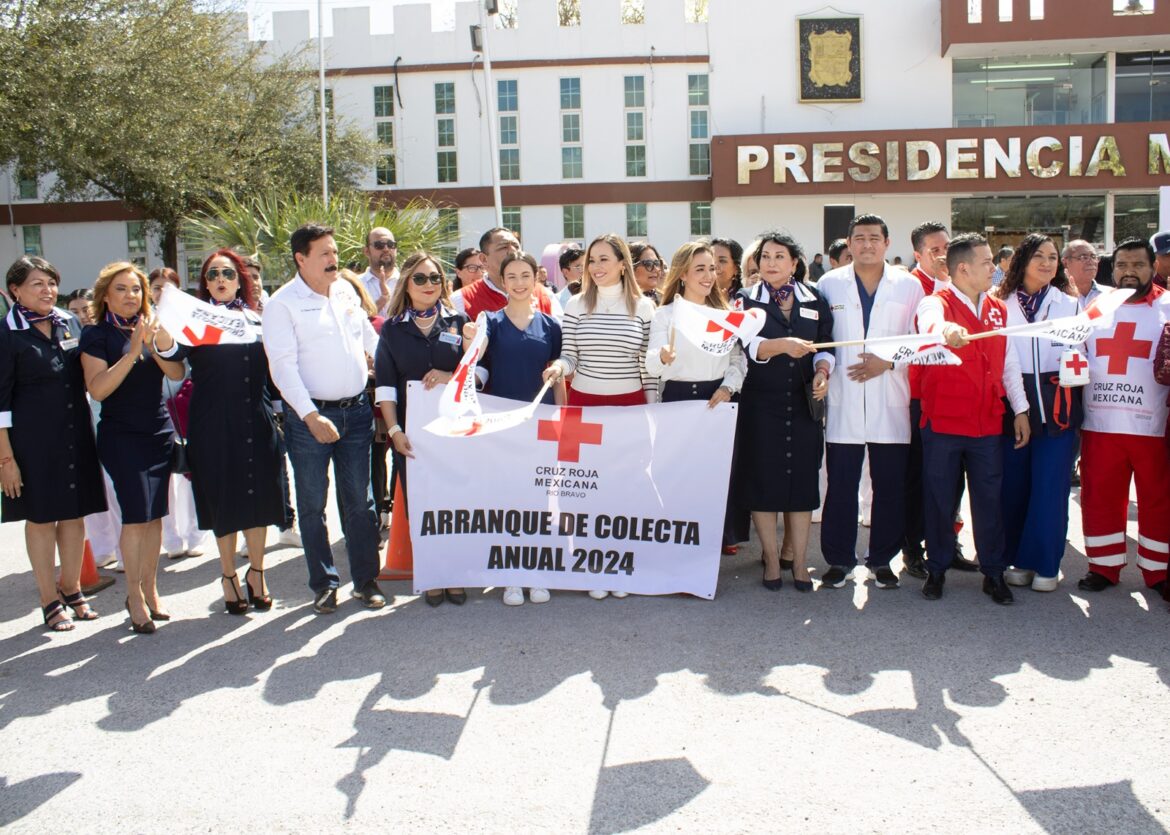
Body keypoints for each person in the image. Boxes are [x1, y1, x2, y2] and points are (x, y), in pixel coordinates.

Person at [154, 249, 288, 614]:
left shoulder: (257, 318)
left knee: (259, 500)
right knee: (224, 500)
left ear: (239, 279)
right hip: (212, 422)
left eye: (227, 273)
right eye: (212, 275)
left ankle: (257, 573)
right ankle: (228, 575)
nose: (220, 280)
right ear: (206, 283)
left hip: (256, 418)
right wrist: (162, 337)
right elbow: (174, 365)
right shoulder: (194, 319)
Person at [262, 223, 387, 615]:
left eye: (334, 252)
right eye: (325, 254)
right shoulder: (282, 304)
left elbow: (369, 340)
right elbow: (282, 368)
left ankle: (365, 581)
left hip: (357, 412)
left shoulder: (346, 290)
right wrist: (311, 415)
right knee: (313, 503)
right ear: (301, 259)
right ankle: (324, 583)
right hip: (310, 419)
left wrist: (395, 370)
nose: (334, 260)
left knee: (361, 504)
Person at [914, 233, 1029, 605]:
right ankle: (937, 569)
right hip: (944, 423)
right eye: (987, 262)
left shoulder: (998, 308)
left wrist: (1021, 408)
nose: (994, 268)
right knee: (939, 500)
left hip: (986, 424)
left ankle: (993, 572)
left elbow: (1009, 363)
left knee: (989, 500)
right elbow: (929, 325)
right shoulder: (937, 302)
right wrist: (946, 331)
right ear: (963, 268)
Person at [546, 233, 656, 600]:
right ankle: (590, 562)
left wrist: (652, 409)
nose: (596, 267)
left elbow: (648, 365)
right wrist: (559, 367)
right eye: (592, 260)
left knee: (623, 488)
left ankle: (619, 563)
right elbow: (570, 354)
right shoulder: (576, 304)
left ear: (623, 264)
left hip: (628, 405)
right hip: (583, 404)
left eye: (604, 259)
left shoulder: (644, 308)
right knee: (582, 489)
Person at [817, 214, 923, 590]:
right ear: (849, 244)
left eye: (874, 238)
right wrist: (824, 370)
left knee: (889, 486)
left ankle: (882, 560)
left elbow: (921, 340)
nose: (866, 245)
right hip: (844, 398)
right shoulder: (829, 284)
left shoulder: (909, 286)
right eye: (859, 238)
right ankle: (839, 560)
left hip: (890, 396)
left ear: (887, 243)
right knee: (840, 485)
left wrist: (889, 362)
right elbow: (822, 339)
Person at [0, 257, 106, 631]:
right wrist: (5, 459)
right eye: (36, 284)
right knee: (42, 518)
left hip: (74, 433)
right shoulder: (7, 332)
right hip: (31, 442)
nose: (47, 290)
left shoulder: (68, 322)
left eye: (50, 282)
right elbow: (0, 401)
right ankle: (48, 599)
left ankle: (73, 589)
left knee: (74, 514)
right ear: (15, 290)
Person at [80, 261, 186, 633]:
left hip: (157, 431)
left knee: (155, 515)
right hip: (121, 436)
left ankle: (151, 589)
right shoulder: (96, 336)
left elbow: (176, 374)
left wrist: (156, 345)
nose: (131, 296)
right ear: (106, 296)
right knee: (136, 515)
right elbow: (98, 389)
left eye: (137, 289)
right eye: (122, 289)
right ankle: (133, 597)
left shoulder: (152, 329)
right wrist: (132, 350)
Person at [731, 233, 833, 593]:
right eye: (765, 256)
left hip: (803, 404)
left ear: (794, 263)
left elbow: (825, 345)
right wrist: (782, 346)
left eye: (780, 256)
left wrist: (822, 371)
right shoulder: (744, 300)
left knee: (802, 481)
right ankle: (772, 560)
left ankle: (801, 562)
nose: (771, 263)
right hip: (761, 404)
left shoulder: (814, 299)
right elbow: (745, 345)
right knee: (764, 482)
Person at [469, 250, 566, 606]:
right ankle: (510, 574)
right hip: (503, 424)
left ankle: (537, 570)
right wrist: (470, 339)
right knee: (507, 498)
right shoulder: (489, 322)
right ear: (502, 281)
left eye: (526, 275)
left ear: (536, 278)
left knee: (541, 499)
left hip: (541, 424)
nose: (520, 283)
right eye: (512, 277)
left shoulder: (552, 326)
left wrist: (563, 418)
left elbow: (559, 378)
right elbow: (475, 360)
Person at [374, 251, 471, 607]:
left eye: (435, 278)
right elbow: (385, 386)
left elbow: (481, 374)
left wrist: (452, 376)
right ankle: (432, 574)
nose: (429, 285)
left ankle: (455, 574)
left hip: (453, 433)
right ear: (407, 285)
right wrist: (394, 430)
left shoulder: (460, 322)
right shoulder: (393, 329)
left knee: (455, 502)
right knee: (421, 505)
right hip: (412, 436)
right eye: (420, 278)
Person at [1078, 237, 1170, 597]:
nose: (1129, 272)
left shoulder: (1168, 305)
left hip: (1152, 424)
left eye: (1138, 265)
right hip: (1101, 423)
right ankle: (1103, 565)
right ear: (1111, 269)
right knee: (1100, 496)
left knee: (1158, 499)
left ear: (1153, 268)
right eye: (1121, 266)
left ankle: (1158, 570)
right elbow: (1076, 349)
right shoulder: (1096, 307)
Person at [991, 234, 1080, 592]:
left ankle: (1045, 564)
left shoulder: (1070, 304)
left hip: (1059, 405)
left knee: (1050, 486)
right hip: (1011, 402)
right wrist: (1019, 407)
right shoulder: (999, 303)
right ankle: (1018, 560)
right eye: (1039, 256)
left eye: (1053, 257)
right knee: (1013, 486)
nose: (1047, 263)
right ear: (1022, 261)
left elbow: (1082, 351)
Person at [904, 221, 977, 576]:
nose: (942, 255)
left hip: (957, 396)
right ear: (918, 253)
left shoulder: (961, 285)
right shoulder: (908, 287)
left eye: (946, 248)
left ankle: (948, 543)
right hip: (918, 395)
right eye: (934, 249)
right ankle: (914, 548)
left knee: (954, 478)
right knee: (921, 477)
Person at [148, 268, 205, 561]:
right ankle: (170, 540)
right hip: (154, 408)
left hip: (185, 404)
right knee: (166, 478)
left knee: (188, 474)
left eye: (169, 287)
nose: (162, 293)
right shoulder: (144, 322)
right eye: (157, 287)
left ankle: (194, 534)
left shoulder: (187, 319)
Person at [452, 227, 562, 320]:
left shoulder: (545, 295)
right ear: (484, 259)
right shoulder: (460, 300)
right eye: (504, 247)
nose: (513, 251)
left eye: (516, 246)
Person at [359, 227, 399, 316]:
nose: (386, 249)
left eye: (390, 244)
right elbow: (351, 321)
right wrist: (382, 300)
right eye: (379, 245)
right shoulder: (355, 285)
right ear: (366, 251)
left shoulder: (409, 282)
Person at [1062, 240, 1103, 310]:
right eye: (1083, 257)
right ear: (1066, 263)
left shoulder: (1110, 295)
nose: (1091, 262)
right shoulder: (1056, 297)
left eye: (1093, 256)